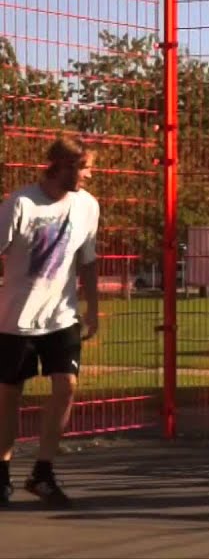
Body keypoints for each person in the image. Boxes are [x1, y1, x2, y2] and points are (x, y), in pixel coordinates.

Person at [0, 137, 100, 509]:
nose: (90, 175)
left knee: (67, 386)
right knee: (9, 397)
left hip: (61, 317)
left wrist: (92, 308)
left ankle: (42, 473)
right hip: (15, 320)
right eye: (85, 167)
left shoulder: (88, 206)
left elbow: (87, 260)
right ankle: (2, 473)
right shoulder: (20, 203)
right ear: (61, 166)